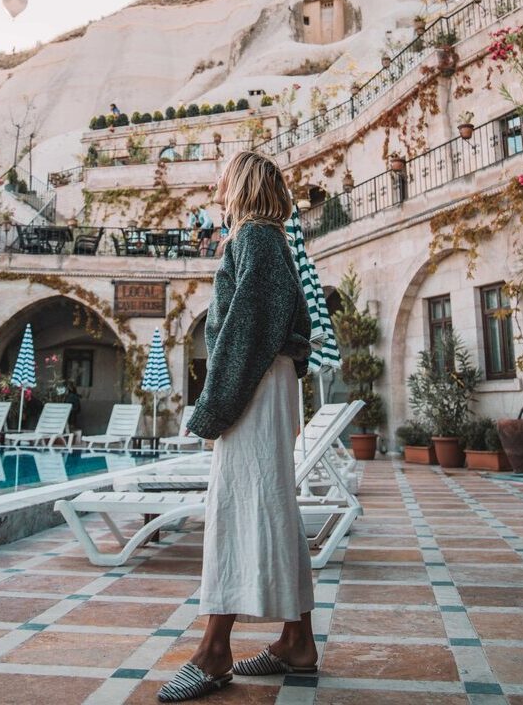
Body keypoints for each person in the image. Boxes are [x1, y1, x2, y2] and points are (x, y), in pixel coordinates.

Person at [157, 150, 316, 703]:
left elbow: (243, 334)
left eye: (223, 176)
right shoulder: (264, 241)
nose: (216, 185)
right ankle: (297, 640)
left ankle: (214, 651)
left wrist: (213, 409)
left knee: (235, 504)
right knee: (271, 503)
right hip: (266, 384)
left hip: (255, 385)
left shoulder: (256, 238)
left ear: (241, 184)